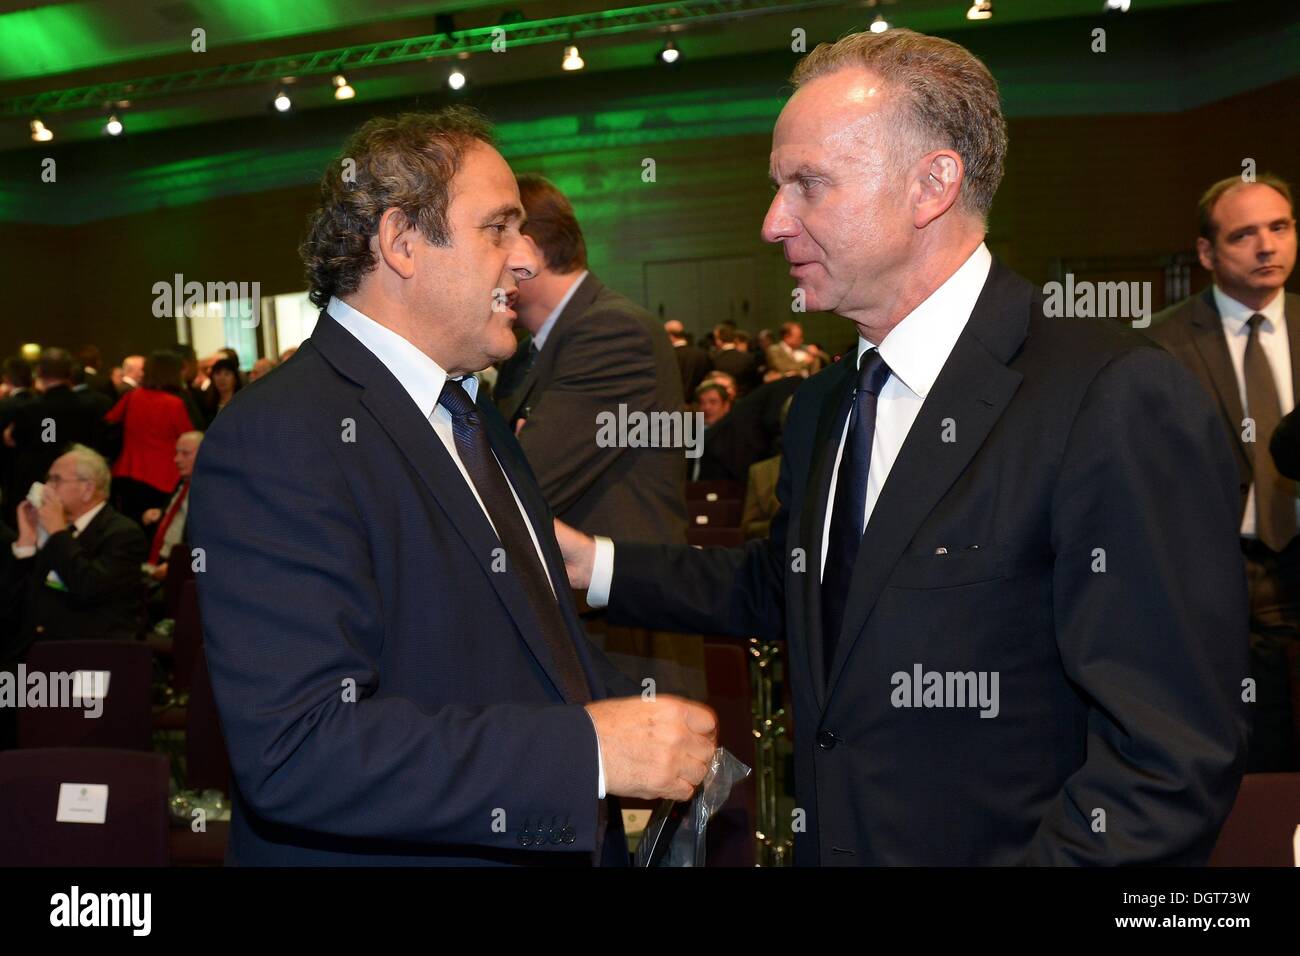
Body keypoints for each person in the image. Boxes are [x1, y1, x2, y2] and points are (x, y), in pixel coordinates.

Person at [554, 28, 1249, 865]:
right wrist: (591, 564)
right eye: (778, 186)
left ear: (933, 184)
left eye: (808, 185)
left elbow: (1167, 764)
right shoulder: (824, 405)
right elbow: (799, 589)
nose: (774, 222)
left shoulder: (1111, 397)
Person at [189, 107, 716, 866]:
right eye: (498, 229)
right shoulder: (279, 437)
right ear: (403, 242)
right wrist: (587, 752)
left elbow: (523, 643)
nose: (522, 261)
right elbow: (298, 750)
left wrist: (637, 721)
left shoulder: (469, 411)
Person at [496, 174, 700, 699]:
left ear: (530, 252)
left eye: (495, 240)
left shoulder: (611, 331)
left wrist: (505, 453)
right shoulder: (530, 351)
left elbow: (521, 485)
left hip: (624, 649)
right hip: (581, 639)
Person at [1147, 174, 1300, 772]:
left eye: (1280, 227)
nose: (1267, 246)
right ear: (1208, 253)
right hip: (1218, 572)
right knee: (1246, 747)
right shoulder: (1159, 344)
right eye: (1245, 234)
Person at [2, 444, 147, 658]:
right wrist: (26, 541)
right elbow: (12, 601)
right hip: (38, 650)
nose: (46, 487)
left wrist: (58, 532)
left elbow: (88, 587)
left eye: (56, 480)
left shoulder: (123, 534)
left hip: (91, 658)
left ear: (87, 489)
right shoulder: (57, 530)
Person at [104, 349, 195, 527]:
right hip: (164, 478)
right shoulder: (174, 404)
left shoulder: (132, 397)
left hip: (128, 473)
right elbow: (190, 437)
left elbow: (109, 421)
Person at [141, 431, 203, 582]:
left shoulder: (214, 494)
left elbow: (208, 546)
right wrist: (159, 513)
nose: (176, 459)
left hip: (181, 571)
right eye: (176, 453)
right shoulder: (184, 483)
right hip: (157, 561)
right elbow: (178, 514)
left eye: (185, 454)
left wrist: (182, 567)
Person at [664, 319, 712, 400]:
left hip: (674, 403)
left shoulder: (667, 356)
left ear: (670, 336)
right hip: (698, 403)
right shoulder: (702, 354)